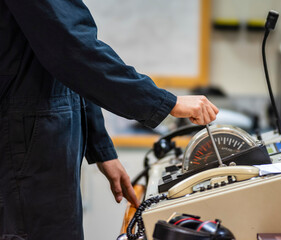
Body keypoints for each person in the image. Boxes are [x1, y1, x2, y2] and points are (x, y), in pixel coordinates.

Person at [0, 0, 219, 239]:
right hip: (23, 152)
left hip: (40, 145)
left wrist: (101, 148)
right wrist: (166, 102)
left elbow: (71, 70)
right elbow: (73, 50)